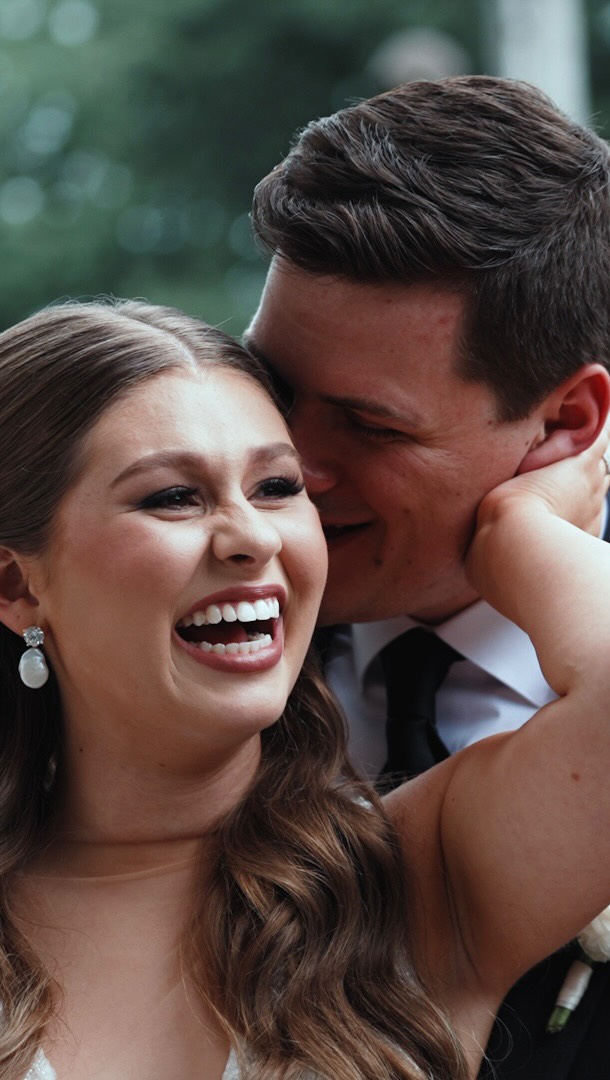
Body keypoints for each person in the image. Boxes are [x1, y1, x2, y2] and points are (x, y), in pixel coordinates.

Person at [0, 300, 608, 1080]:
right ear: (17, 582)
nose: (252, 536)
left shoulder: (422, 879)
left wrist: (518, 523)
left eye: (277, 487)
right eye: (173, 497)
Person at [245, 76, 610, 1077]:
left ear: (566, 424)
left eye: (368, 425)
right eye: (271, 388)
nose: (287, 467)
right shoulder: (153, 652)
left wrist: (527, 539)